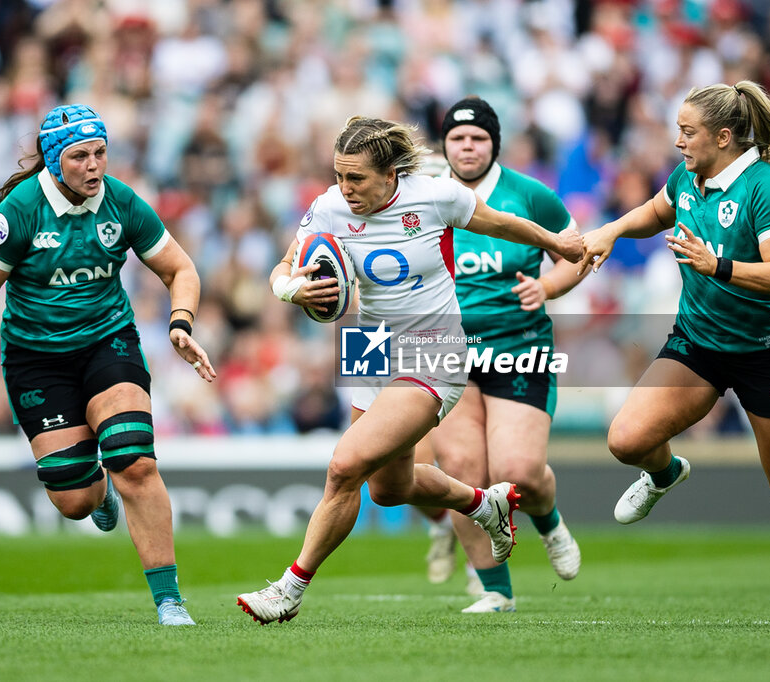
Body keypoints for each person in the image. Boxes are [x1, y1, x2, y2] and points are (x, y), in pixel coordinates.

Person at [236, 115, 583, 625]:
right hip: (369, 346)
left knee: (344, 466)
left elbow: (502, 224)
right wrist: (292, 289)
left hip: (433, 348)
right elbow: (284, 266)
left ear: (390, 173)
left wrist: (556, 243)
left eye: (356, 178)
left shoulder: (436, 196)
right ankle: (482, 504)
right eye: (339, 175)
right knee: (388, 489)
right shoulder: (329, 207)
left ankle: (289, 588)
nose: (345, 188)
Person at [579, 81, 770, 629]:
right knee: (627, 440)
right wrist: (612, 230)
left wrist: (717, 266)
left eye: (688, 132)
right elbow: (657, 211)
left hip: (766, 351)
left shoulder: (765, 189)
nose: (678, 141)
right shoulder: (689, 175)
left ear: (723, 137)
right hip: (699, 342)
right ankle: (665, 474)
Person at [0, 104, 216, 626]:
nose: (94, 166)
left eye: (100, 153)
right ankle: (99, 490)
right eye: (80, 156)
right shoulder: (19, 212)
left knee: (135, 459)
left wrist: (180, 322)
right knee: (74, 501)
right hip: (36, 360)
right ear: (53, 160)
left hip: (108, 342)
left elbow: (180, 269)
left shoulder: (122, 201)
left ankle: (169, 601)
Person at [417, 96, 587, 613]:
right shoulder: (426, 196)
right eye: (457, 138)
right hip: (446, 350)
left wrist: (548, 286)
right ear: (445, 144)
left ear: (494, 144)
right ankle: (496, 590)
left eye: (478, 138)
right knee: (462, 472)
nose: (467, 147)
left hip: (519, 346)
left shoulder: (530, 196)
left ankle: (549, 522)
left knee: (518, 472)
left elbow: (577, 254)